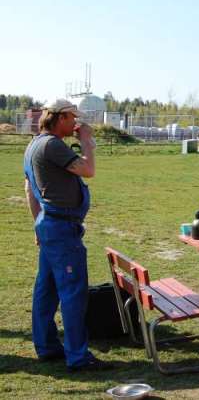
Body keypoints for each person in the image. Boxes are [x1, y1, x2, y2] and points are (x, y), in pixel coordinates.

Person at [24, 98, 109, 371]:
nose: (76, 123)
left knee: (47, 290)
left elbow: (29, 190)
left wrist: (38, 224)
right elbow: (89, 170)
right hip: (62, 228)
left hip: (49, 225)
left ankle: (47, 347)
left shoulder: (33, 145)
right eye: (73, 118)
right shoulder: (52, 144)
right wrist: (86, 142)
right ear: (60, 118)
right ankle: (78, 357)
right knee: (73, 293)